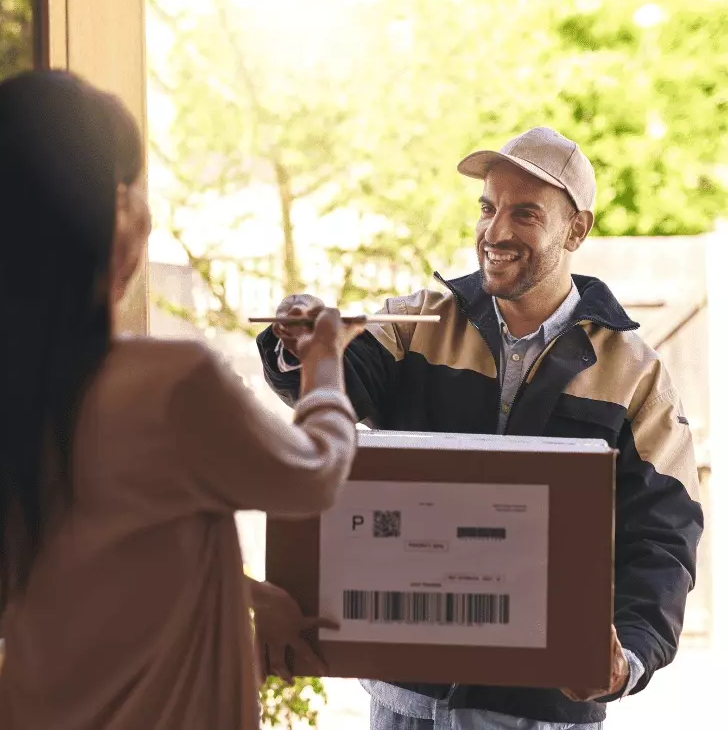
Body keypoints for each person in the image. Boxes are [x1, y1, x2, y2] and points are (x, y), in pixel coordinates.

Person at [0, 70, 362, 729]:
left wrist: (246, 594)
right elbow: (317, 472)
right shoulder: (170, 387)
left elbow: (90, 559)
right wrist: (325, 359)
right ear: (106, 216)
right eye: (133, 191)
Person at [256, 127, 704, 729]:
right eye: (488, 208)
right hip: (405, 705)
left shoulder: (634, 376)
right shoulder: (415, 325)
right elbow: (329, 388)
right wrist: (301, 346)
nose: (495, 232)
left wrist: (628, 660)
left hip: (544, 711)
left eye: (525, 213)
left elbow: (664, 537)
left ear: (577, 230)